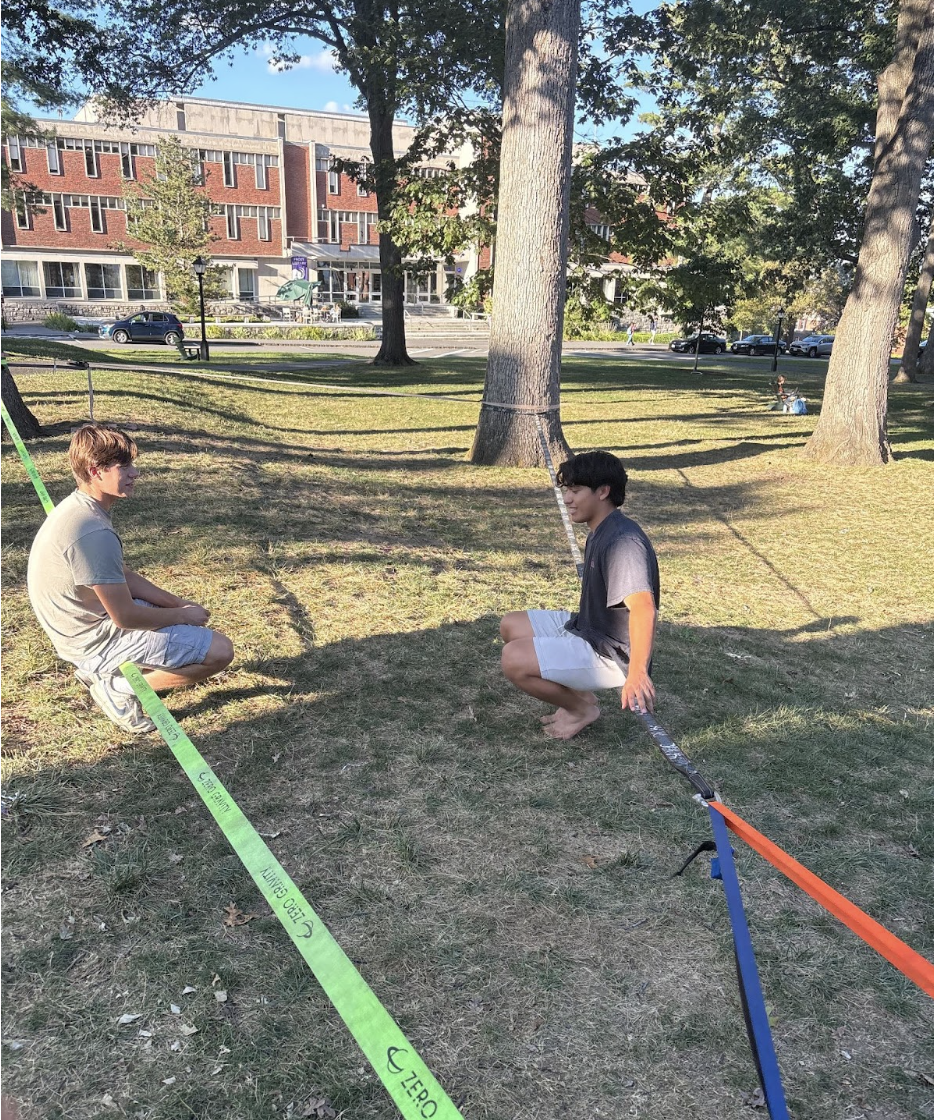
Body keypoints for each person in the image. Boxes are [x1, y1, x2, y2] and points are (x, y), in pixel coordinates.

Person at [27, 424, 234, 734]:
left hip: (84, 625)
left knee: (177, 627)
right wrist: (181, 616)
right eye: (124, 466)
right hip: (90, 641)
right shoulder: (93, 532)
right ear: (96, 471)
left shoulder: (80, 510)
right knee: (220, 651)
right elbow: (124, 616)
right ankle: (119, 687)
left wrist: (178, 605)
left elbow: (121, 577)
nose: (135, 473)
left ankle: (112, 672)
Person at [499, 451, 659, 740]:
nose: (567, 499)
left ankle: (580, 710)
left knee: (513, 659)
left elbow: (644, 608)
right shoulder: (600, 528)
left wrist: (637, 672)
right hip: (586, 628)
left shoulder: (624, 542)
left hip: (611, 654)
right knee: (511, 624)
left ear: (603, 491)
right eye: (566, 491)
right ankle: (583, 697)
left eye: (575, 491)